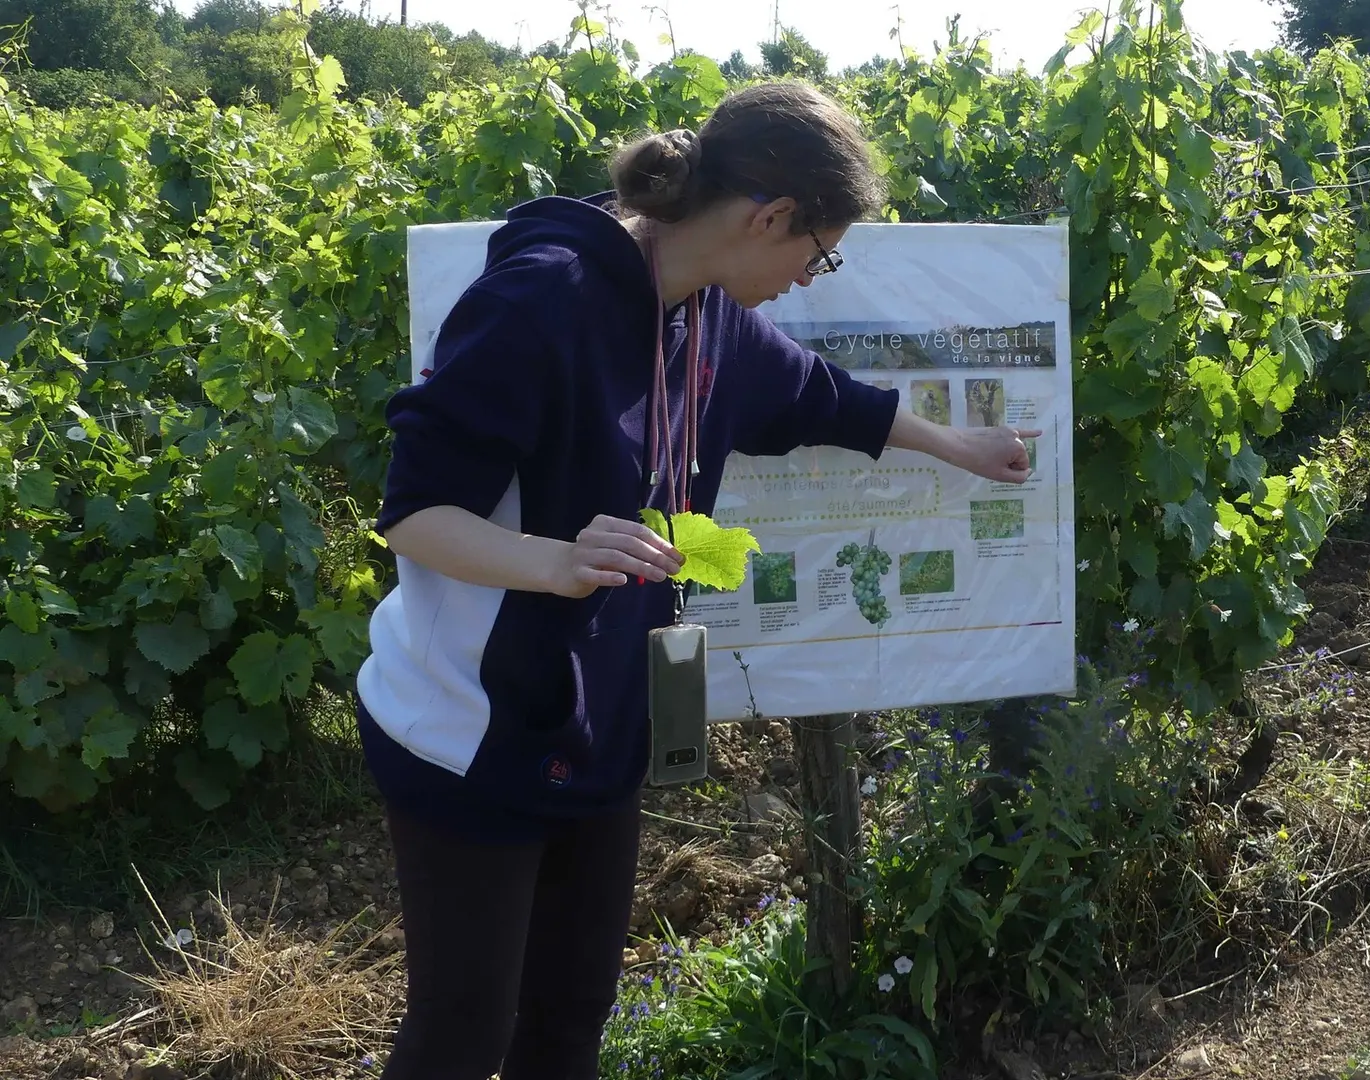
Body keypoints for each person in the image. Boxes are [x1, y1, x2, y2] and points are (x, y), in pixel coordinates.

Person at [354, 81, 1040, 1080]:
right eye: (819, 252)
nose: (811, 277)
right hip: (471, 725)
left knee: (571, 1020)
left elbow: (820, 397)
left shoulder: (707, 316)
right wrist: (555, 562)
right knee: (463, 1034)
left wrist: (958, 446)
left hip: (603, 725)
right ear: (770, 217)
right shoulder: (540, 301)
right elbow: (414, 512)